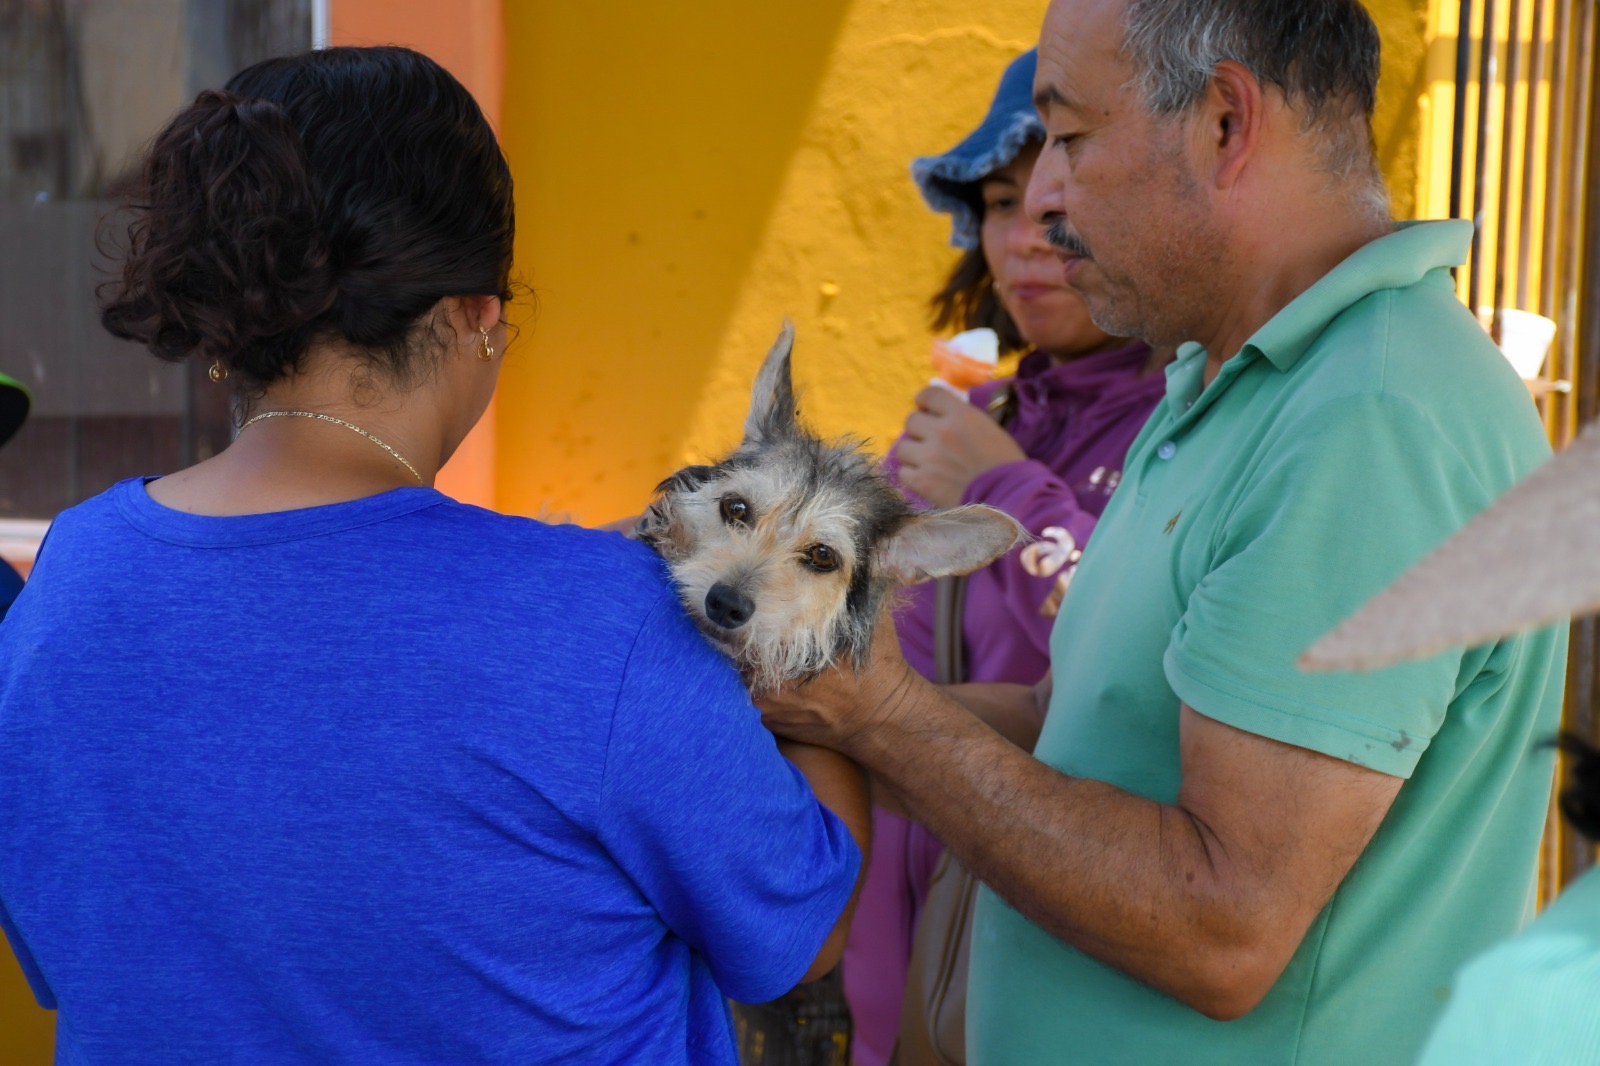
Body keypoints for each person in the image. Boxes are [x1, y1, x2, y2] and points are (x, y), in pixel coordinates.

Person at [0, 47, 867, 1065]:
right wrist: (829, 704)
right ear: (474, 318)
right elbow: (799, 935)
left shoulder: (73, 574)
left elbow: (71, 950)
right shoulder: (601, 615)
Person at [758, 2, 1568, 1064]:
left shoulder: (1367, 419)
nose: (1045, 197)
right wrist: (816, 704)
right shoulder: (1227, 383)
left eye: (1071, 136)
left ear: (1224, 122)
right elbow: (1078, 721)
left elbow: (1219, 925)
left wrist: (881, 722)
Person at [838, 49, 1166, 1066]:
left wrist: (1002, 488)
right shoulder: (963, 423)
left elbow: (1127, 659)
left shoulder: (1180, 430)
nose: (1024, 236)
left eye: (1056, 202)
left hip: (1074, 948)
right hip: (905, 960)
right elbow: (870, 670)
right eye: (996, 201)